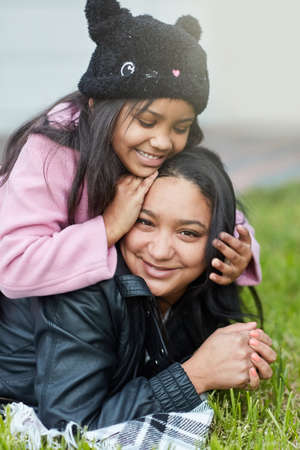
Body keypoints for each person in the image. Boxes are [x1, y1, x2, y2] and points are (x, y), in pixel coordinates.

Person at [0, 147, 276, 435]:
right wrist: (196, 375)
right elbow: (69, 426)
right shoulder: (84, 287)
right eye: (145, 222)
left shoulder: (203, 279)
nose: (159, 251)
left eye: (188, 233)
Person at [0, 0, 261, 300]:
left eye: (180, 127)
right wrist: (108, 227)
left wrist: (241, 251)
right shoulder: (52, 153)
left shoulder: (166, 152)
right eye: (147, 121)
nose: (163, 142)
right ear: (98, 107)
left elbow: (221, 213)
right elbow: (14, 266)